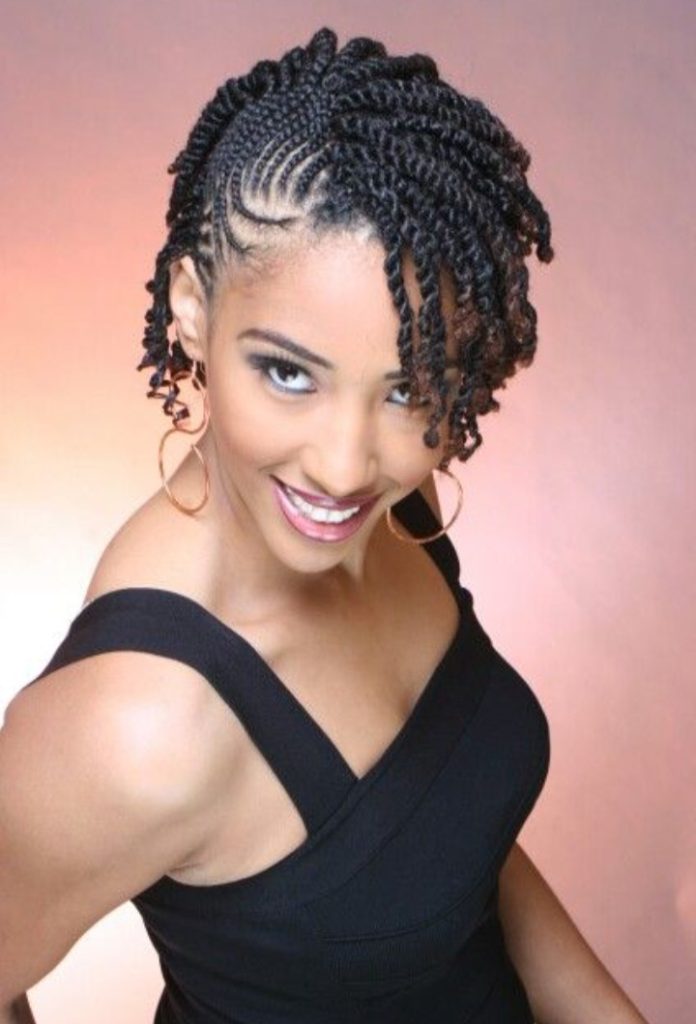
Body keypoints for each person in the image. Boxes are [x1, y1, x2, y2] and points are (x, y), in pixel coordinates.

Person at [0, 26, 649, 1024]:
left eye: (408, 389)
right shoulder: (137, 725)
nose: (346, 467)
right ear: (190, 307)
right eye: (288, 373)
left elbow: (458, 855)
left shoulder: (391, 512)